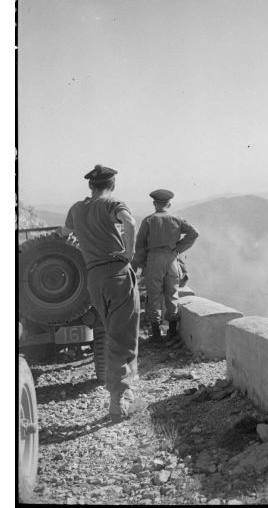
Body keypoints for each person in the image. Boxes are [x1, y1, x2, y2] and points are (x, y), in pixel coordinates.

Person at [59, 165, 141, 423]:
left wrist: (79, 239)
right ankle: (119, 402)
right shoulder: (112, 202)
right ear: (112, 183)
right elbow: (129, 221)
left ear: (90, 186)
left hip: (94, 280)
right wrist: (129, 253)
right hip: (117, 275)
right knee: (122, 337)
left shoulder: (77, 208)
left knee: (114, 334)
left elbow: (64, 233)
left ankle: (124, 394)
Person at [132, 189, 198, 344]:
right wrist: (178, 248)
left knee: (153, 296)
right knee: (172, 294)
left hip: (154, 259)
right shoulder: (177, 219)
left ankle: (155, 335)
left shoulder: (149, 220)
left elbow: (140, 244)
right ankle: (172, 332)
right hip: (172, 258)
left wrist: (142, 264)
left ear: (155, 203)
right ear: (169, 204)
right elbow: (194, 233)